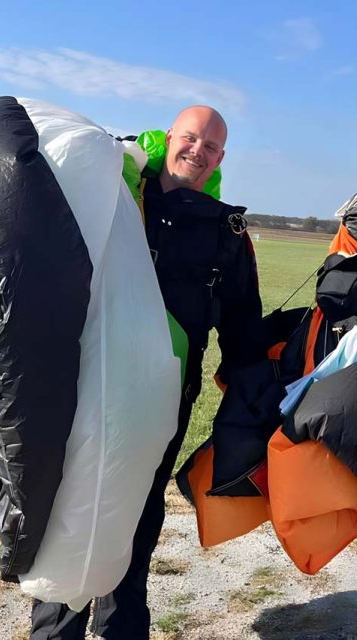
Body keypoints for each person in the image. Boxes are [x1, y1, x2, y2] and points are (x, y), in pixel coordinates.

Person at [30, 106, 264, 640]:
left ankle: (123, 627)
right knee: (73, 499)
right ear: (170, 137)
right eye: (190, 138)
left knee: (138, 507)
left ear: (221, 157)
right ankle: (55, 629)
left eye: (210, 147)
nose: (197, 152)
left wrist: (261, 395)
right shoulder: (117, 193)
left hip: (162, 402)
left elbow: (243, 326)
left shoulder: (224, 228)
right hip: (91, 385)